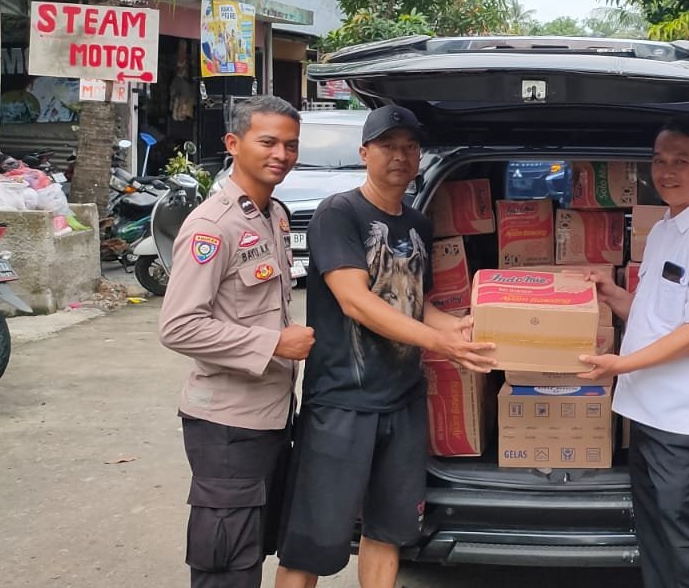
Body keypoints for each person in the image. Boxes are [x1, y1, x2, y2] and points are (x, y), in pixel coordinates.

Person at [275, 105, 495, 588]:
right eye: (388, 146)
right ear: (364, 153)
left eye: (410, 147)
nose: (400, 156)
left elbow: (415, 302)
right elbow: (355, 301)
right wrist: (439, 342)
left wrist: (463, 328)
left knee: (388, 531)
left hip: (403, 402)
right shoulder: (340, 213)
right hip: (343, 404)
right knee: (312, 540)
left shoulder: (418, 223)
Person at [578, 116, 689, 588]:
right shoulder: (664, 228)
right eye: (659, 161)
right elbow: (656, 316)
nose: (666, 172)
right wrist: (613, 295)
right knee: (655, 537)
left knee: (684, 547)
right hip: (650, 412)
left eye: (681, 161)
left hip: (685, 423)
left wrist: (620, 365)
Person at [159, 95, 313, 588]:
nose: (281, 155)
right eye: (268, 142)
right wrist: (273, 345)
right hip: (226, 425)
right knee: (226, 562)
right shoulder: (212, 225)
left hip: (270, 416)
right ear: (233, 143)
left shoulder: (274, 215)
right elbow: (179, 325)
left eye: (290, 145)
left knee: (251, 549)